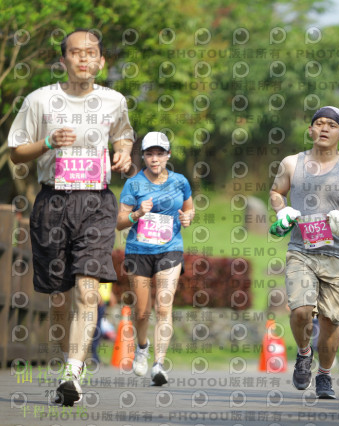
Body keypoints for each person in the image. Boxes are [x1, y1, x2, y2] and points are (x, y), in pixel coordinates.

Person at [8, 29, 134, 406]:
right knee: (60, 299)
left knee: (87, 289)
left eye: (91, 52)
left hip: (96, 202)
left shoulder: (114, 101)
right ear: (63, 60)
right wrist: (47, 143)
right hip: (52, 203)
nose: (83, 58)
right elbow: (16, 152)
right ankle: (68, 362)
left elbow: (123, 136)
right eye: (75, 53)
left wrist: (124, 154)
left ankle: (73, 373)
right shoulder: (40, 100)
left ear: (100, 61)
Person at [269, 106, 339, 398]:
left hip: (336, 254)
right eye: (319, 123)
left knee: (330, 320)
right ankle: (304, 354)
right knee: (301, 309)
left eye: (332, 125)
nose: (324, 128)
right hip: (300, 249)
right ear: (311, 130)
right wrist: (283, 209)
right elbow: (276, 192)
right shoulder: (292, 163)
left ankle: (325, 376)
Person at [116, 131, 194, 386]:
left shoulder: (180, 181)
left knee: (163, 305)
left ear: (168, 156)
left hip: (170, 249)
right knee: (142, 311)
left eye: (159, 153)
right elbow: (119, 222)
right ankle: (142, 346)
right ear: (144, 157)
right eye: (149, 154)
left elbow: (189, 208)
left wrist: (187, 217)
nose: (154, 158)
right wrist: (138, 212)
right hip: (139, 251)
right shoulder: (134, 184)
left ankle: (159, 364)